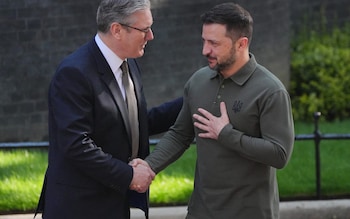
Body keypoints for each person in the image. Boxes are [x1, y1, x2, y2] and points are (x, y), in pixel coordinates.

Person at [131, 2, 295, 219]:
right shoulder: (198, 82)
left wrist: (226, 134)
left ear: (241, 44)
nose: (205, 50)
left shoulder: (270, 91)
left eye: (214, 43)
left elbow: (280, 154)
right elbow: (180, 134)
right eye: (204, 41)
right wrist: (148, 166)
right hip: (201, 212)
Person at [34, 0, 182, 219]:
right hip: (79, 207)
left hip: (113, 202)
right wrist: (129, 175)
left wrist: (190, 101)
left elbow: (132, 124)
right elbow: (75, 144)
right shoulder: (74, 73)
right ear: (117, 30)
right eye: (145, 29)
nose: (151, 36)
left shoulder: (128, 64)